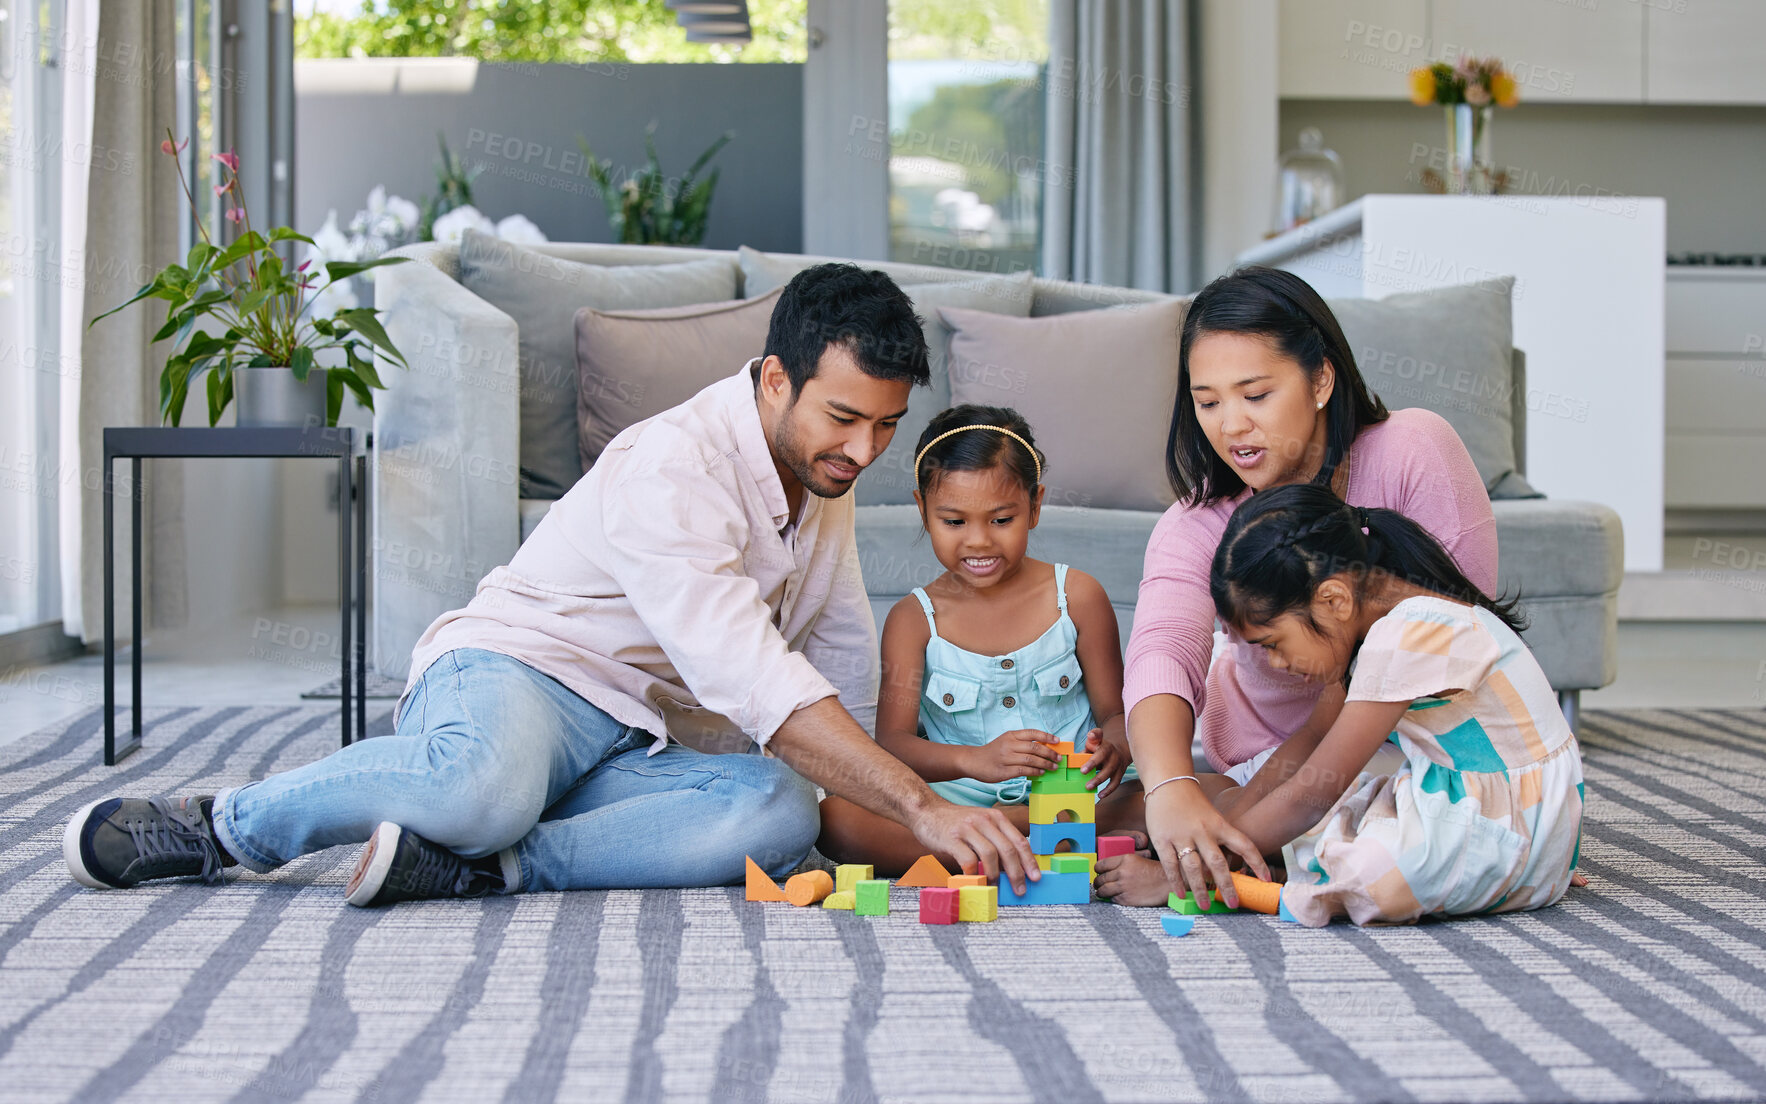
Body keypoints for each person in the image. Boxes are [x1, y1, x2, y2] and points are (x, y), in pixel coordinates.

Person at [64, 263, 1040, 905]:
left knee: (777, 815)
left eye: (884, 425)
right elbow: (753, 675)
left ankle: (483, 869)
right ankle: (220, 827)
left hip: (644, 737)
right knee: (481, 786)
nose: (863, 450)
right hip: (521, 675)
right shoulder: (674, 465)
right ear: (775, 378)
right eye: (844, 417)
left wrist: (894, 808)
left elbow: (834, 650)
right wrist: (919, 805)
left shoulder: (817, 473)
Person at [1097, 266, 1502, 911]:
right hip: (1276, 756)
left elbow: (1467, 632)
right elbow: (1163, 651)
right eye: (1208, 402)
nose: (1231, 427)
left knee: (1364, 845)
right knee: (1155, 806)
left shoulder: (1412, 450)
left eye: (1255, 394)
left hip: (1410, 741)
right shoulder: (1197, 521)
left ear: (1320, 379)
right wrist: (1169, 787)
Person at [1130, 483, 1584, 926]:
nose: (1276, 662)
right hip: (1454, 796)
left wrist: (1192, 871)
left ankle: (1252, 887)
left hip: (1509, 824)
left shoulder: (1407, 634)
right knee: (1303, 818)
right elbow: (1309, 741)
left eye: (1273, 643)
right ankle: (1275, 866)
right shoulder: (1377, 624)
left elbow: (1311, 794)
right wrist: (1231, 819)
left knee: (1373, 869)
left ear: (1333, 599)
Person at [816, 406, 1139, 874]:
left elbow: (1116, 712)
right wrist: (975, 760)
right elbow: (894, 742)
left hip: (1079, 792)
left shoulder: (1078, 596)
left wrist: (1114, 748)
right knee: (835, 821)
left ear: (1035, 505)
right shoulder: (913, 620)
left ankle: (1007, 842)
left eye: (1001, 519)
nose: (979, 542)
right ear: (923, 511)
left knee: (1192, 793)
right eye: (954, 522)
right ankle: (1045, 838)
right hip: (964, 797)